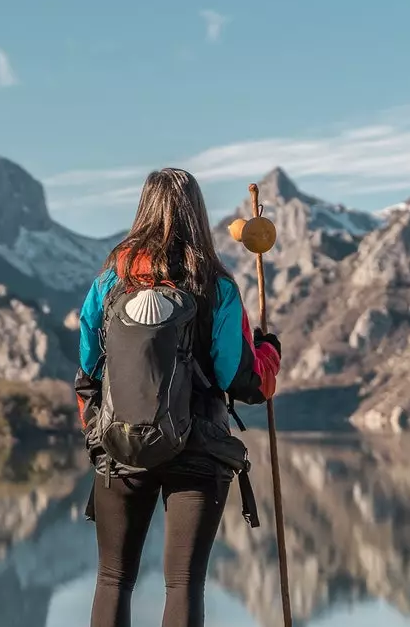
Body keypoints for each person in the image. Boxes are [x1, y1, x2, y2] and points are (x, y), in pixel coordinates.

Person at [74, 167, 282, 627]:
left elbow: (89, 364)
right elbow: (240, 379)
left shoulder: (110, 282)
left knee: (113, 579)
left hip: (121, 447)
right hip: (199, 448)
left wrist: (96, 428)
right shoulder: (217, 286)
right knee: (184, 583)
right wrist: (269, 353)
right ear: (197, 213)